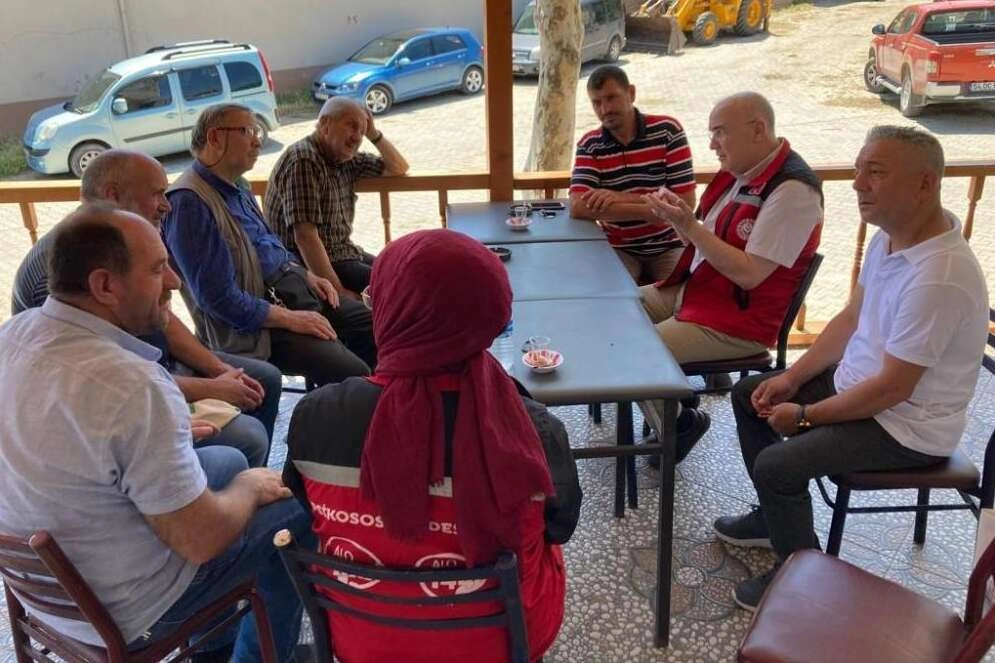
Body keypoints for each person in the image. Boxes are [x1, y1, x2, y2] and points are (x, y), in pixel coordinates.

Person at [0, 204, 313, 663]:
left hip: (44, 590)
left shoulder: (14, 334)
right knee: (293, 508)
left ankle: (214, 646)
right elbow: (200, 541)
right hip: (127, 611)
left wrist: (162, 435)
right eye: (157, 268)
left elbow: (71, 430)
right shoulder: (132, 385)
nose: (174, 281)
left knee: (225, 459)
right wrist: (248, 489)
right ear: (105, 286)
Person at [714, 126, 989, 611]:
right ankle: (775, 521)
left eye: (875, 172)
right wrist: (791, 379)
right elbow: (850, 319)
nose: (858, 183)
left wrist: (804, 418)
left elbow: (892, 390)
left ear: (925, 184)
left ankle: (797, 579)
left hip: (905, 427)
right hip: (861, 387)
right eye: (859, 170)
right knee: (751, 395)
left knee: (777, 465)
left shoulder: (940, 277)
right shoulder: (890, 239)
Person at [283, 229, 582, 663]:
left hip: (363, 638)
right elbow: (560, 527)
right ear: (494, 316)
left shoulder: (316, 416)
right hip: (500, 640)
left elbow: (307, 510)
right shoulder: (531, 429)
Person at [10, 149, 281, 468]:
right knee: (247, 437)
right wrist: (211, 389)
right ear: (113, 195)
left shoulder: (124, 239)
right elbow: (103, 382)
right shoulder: (67, 266)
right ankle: (243, 483)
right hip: (112, 399)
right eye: (156, 194)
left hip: (154, 367)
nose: (167, 205)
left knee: (265, 377)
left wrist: (217, 368)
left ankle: (255, 478)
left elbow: (164, 316)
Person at [639, 92, 824, 464]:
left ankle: (679, 424)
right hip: (698, 291)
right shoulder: (738, 174)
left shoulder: (792, 191)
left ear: (758, 130)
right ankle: (674, 402)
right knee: (614, 311)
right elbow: (703, 244)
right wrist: (679, 222)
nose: (712, 144)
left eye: (720, 132)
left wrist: (689, 224)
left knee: (637, 351)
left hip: (736, 320)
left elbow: (750, 274)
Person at [163, 103, 377, 388]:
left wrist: (307, 275)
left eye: (258, 132)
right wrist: (291, 319)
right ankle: (341, 410)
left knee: (375, 326)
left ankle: (370, 406)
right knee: (352, 372)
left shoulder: (238, 186)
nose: (257, 141)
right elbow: (218, 300)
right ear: (215, 138)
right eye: (248, 131)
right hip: (255, 329)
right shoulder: (189, 203)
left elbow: (270, 246)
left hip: (293, 295)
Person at [264, 97, 408, 296]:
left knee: (401, 272)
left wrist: (374, 134)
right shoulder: (304, 160)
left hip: (343, 252)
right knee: (398, 287)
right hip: (308, 265)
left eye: (362, 130)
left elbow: (399, 167)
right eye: (352, 126)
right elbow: (305, 237)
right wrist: (339, 293)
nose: (357, 137)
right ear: (325, 124)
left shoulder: (344, 157)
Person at [570, 65, 696, 284]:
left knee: (685, 294)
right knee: (612, 297)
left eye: (611, 98)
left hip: (670, 243)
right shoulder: (590, 145)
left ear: (631, 93)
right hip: (618, 247)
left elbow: (686, 202)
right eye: (596, 103)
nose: (605, 109)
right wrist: (649, 212)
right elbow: (578, 206)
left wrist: (619, 197)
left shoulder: (668, 131)